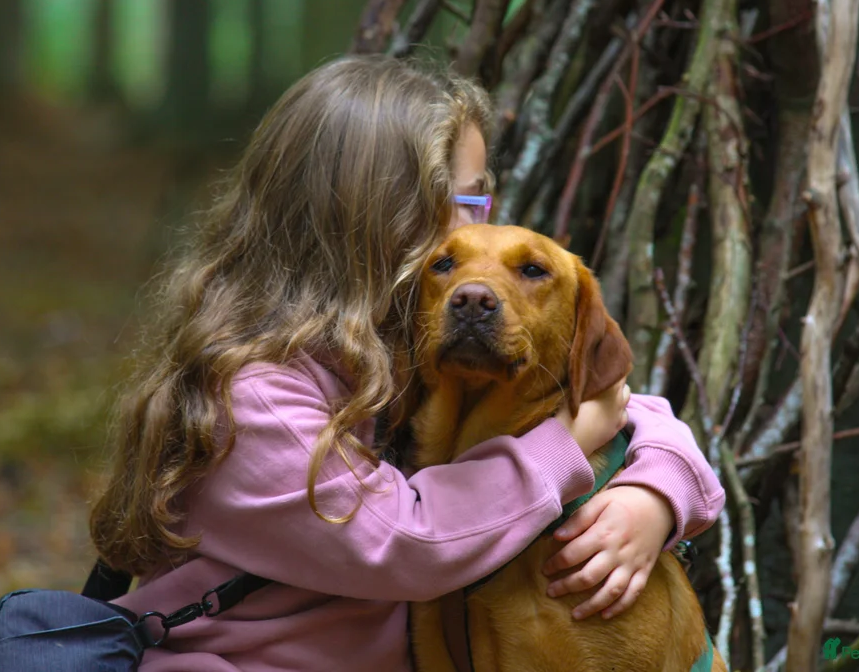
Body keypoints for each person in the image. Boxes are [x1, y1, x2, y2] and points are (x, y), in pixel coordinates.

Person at [89, 55, 725, 672]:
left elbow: (624, 409)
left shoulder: (396, 348)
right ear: (365, 213)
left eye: (482, 202)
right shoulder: (257, 398)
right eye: (460, 203)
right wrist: (572, 443)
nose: (478, 240)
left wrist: (653, 493)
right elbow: (404, 541)